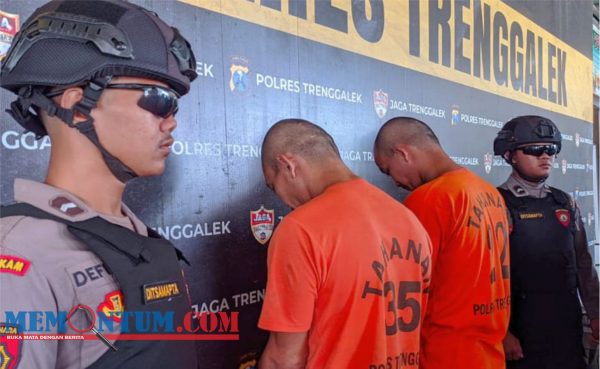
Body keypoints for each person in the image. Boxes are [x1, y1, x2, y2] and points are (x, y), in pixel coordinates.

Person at [0, 1, 198, 368]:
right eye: (159, 100)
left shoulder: (135, 236)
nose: (171, 122)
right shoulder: (22, 256)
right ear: (78, 106)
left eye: (175, 107)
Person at [257, 119, 432, 369]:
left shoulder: (300, 229)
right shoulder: (410, 220)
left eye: (274, 186)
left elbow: (284, 359)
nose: (283, 200)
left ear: (288, 166)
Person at [373, 116, 511, 369]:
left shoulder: (429, 198)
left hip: (444, 353)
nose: (393, 181)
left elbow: (408, 290)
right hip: (489, 352)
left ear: (402, 153)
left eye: (387, 169)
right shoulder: (489, 192)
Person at [493, 115, 599, 369]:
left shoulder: (565, 202)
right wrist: (501, 333)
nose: (546, 156)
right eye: (534, 149)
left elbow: (583, 263)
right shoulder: (496, 203)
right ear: (510, 155)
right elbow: (489, 276)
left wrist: (596, 313)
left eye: (551, 149)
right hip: (522, 333)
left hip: (567, 329)